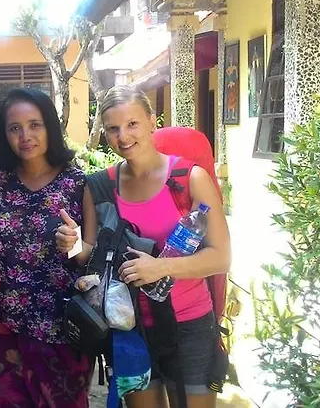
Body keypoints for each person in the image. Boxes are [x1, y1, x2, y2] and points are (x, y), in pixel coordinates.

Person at [72, 85, 231, 408]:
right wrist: (72, 244)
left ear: (151, 121)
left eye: (132, 124)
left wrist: (160, 267)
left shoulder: (189, 178)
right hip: (130, 328)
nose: (123, 136)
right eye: (113, 128)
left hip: (190, 325)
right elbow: (88, 258)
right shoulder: (100, 186)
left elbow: (221, 257)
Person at [0, 88, 94, 408]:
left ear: (50, 127)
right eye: (14, 128)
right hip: (4, 326)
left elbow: (91, 257)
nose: (25, 136)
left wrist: (75, 244)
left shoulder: (78, 183)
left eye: (35, 125)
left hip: (62, 329)